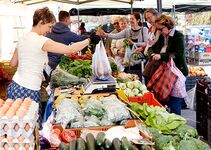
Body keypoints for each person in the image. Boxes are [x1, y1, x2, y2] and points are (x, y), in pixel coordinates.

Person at [7, 7, 100, 126]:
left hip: (14, 87)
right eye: (49, 26)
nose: (50, 30)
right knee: (29, 129)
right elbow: (70, 49)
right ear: (41, 22)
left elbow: (12, 63)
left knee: (14, 128)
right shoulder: (41, 40)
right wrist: (89, 40)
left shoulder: (22, 38)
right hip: (28, 91)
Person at [148, 14, 188, 115]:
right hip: (166, 72)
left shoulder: (178, 36)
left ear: (168, 26)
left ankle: (176, 125)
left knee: (175, 101)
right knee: (165, 99)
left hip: (177, 72)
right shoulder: (163, 36)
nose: (159, 31)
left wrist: (161, 56)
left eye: (161, 29)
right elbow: (151, 48)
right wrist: (153, 54)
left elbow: (178, 54)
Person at [97, 12, 148, 78]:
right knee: (130, 78)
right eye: (130, 19)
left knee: (140, 78)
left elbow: (146, 43)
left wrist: (133, 43)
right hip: (129, 61)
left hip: (140, 61)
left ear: (138, 20)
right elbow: (116, 36)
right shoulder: (127, 31)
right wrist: (105, 34)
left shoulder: (143, 29)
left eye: (132, 19)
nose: (131, 20)